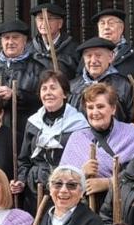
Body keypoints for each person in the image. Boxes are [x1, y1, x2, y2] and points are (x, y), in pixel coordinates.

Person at [0, 18, 73, 137]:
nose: (10, 42)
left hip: (24, 133)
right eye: (6, 38)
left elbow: (43, 101)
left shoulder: (38, 69)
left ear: (25, 41)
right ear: (1, 42)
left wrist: (15, 95)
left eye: (15, 37)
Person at [59, 83, 134, 205]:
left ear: (113, 109)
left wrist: (109, 182)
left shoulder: (132, 134)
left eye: (100, 106)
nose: (95, 112)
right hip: (86, 209)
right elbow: (61, 180)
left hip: (122, 205)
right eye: (90, 107)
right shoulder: (77, 138)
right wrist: (81, 173)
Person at [14, 69, 87, 200]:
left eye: (53, 88)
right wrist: (21, 180)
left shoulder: (79, 124)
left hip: (66, 188)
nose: (48, 93)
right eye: (44, 89)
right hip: (35, 189)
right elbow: (24, 159)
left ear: (65, 94)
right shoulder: (33, 122)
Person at [69, 37, 134, 122]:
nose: (93, 61)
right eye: (89, 56)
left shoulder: (124, 86)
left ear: (111, 57)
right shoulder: (72, 87)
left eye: (98, 55)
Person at [29, 1, 82, 76]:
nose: (44, 23)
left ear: (60, 23)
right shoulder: (29, 48)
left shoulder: (73, 49)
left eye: (49, 19)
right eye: (40, 19)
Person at [91, 8, 134, 79]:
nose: (106, 27)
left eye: (111, 23)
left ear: (121, 28)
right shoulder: (88, 55)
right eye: (102, 23)